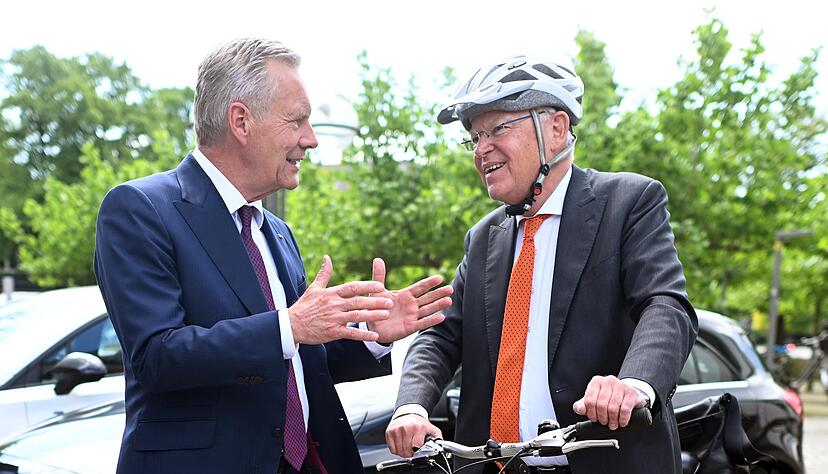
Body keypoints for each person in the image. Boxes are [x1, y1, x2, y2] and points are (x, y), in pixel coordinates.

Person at [94, 38, 452, 474]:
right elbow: (157, 357)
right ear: (241, 121)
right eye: (297, 120)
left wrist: (371, 333)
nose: (312, 139)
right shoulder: (140, 209)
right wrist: (291, 324)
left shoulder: (276, 231)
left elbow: (297, 356)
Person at [385, 56, 698, 473]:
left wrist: (633, 385)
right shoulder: (482, 238)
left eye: (497, 129)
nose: (481, 149)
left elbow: (665, 305)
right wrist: (411, 407)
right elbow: (442, 337)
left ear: (556, 129)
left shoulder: (628, 202)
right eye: (475, 137)